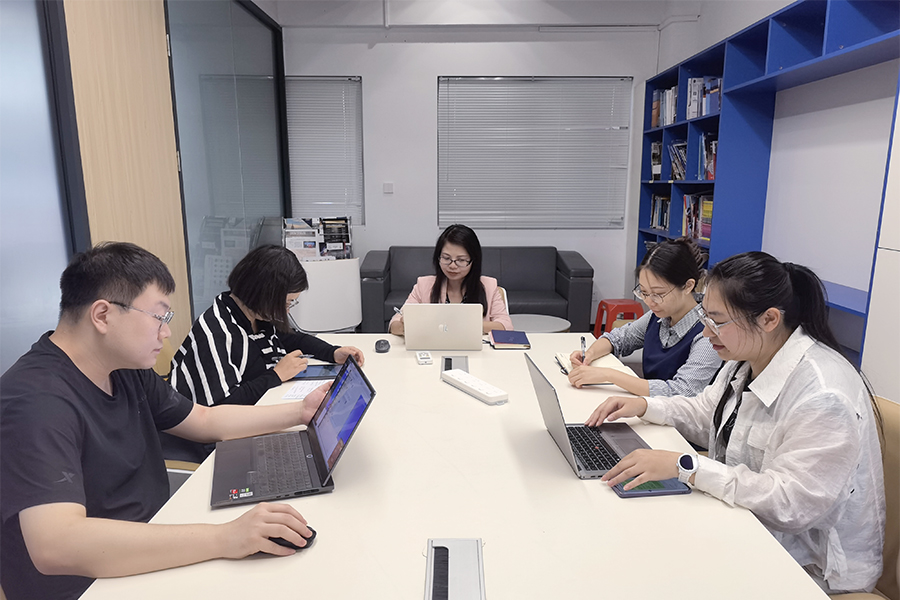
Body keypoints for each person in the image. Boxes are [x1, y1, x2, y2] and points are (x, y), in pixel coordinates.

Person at [0, 242, 328, 600]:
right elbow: (57, 545)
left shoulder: (123, 367)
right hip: (89, 584)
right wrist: (224, 537)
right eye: (159, 317)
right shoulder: (36, 401)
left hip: (149, 544)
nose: (167, 332)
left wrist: (301, 412)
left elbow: (204, 419)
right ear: (103, 315)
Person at [586, 252, 885, 594]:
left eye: (717, 321)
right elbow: (706, 414)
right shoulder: (747, 356)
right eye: (705, 316)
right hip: (748, 526)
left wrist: (687, 467)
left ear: (769, 319)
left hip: (809, 566)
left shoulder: (824, 394)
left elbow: (791, 504)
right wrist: (644, 406)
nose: (705, 331)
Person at [165, 245, 364, 461]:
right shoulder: (217, 332)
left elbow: (289, 337)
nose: (287, 310)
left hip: (250, 414)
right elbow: (221, 409)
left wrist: (332, 352)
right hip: (207, 442)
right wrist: (276, 375)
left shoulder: (254, 315)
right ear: (262, 295)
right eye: (286, 303)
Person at [568, 237, 720, 397]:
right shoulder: (659, 316)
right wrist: (590, 354)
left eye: (658, 294)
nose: (649, 302)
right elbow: (619, 339)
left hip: (680, 412)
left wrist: (609, 375)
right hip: (650, 406)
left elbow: (681, 391)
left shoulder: (708, 333)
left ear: (688, 286)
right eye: (644, 292)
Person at [389, 224, 512, 335]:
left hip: (475, 350)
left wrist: (460, 325)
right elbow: (394, 323)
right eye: (446, 258)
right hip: (434, 349)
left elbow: (506, 326)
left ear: (473, 261)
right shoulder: (423, 285)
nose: (452, 266)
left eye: (461, 260)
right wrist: (405, 326)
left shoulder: (489, 286)